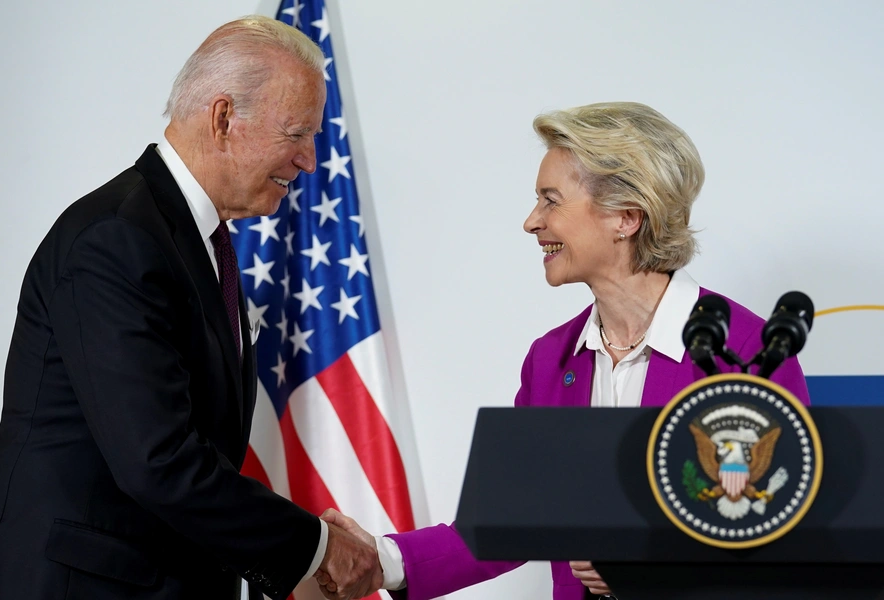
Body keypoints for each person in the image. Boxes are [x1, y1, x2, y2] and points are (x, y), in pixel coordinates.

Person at [318, 102, 811, 599]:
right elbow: (508, 520)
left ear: (626, 216)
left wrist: (656, 566)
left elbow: (780, 534)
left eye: (551, 200)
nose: (532, 222)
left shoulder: (746, 351)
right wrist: (383, 560)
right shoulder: (550, 360)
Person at [0, 16, 381, 600]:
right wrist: (314, 548)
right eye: (297, 133)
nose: (310, 161)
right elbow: (159, 460)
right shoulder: (116, 239)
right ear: (223, 119)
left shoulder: (194, 240)